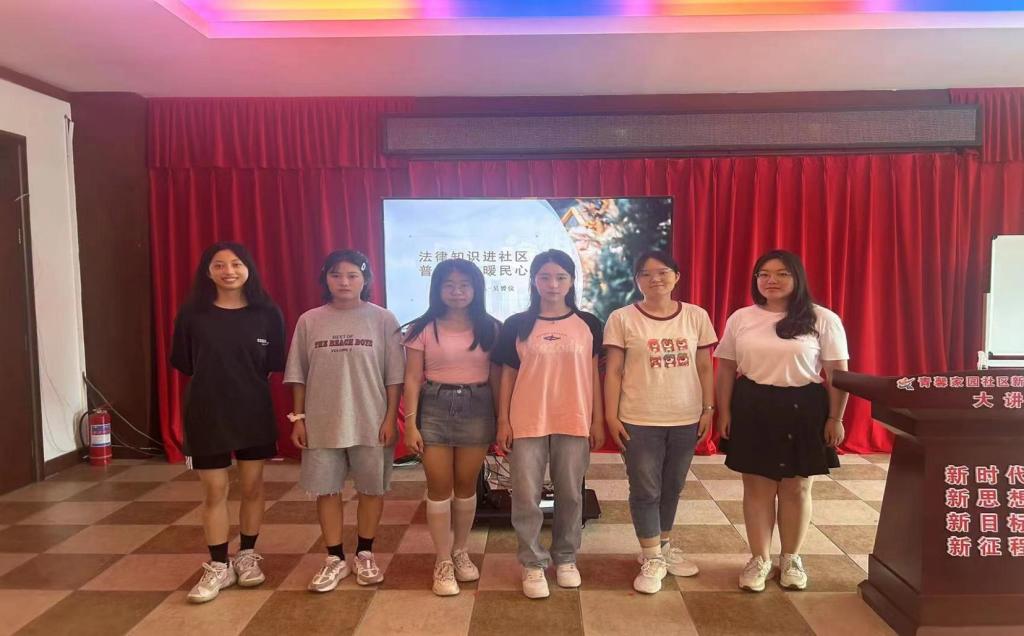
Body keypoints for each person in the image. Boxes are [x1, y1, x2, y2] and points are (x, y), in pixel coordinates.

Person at [715, 249, 850, 592]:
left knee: (797, 487)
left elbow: (837, 374)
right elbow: (726, 368)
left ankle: (791, 558)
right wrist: (724, 411)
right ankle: (759, 559)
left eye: (781, 274)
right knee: (757, 488)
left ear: (797, 278)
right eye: (763, 274)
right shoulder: (741, 318)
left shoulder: (822, 318)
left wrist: (835, 417)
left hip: (804, 407)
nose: (771, 280)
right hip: (753, 405)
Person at [171, 242, 285, 604]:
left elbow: (274, 363)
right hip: (207, 413)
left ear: (248, 269)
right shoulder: (192, 313)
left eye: (236, 264)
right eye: (219, 265)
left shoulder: (267, 313)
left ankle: (247, 555)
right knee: (214, 491)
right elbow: (185, 362)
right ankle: (219, 565)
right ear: (208, 272)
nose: (229, 271)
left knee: (252, 486)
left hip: (253, 410)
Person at [284, 249, 405, 592]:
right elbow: (298, 375)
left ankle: (365, 553)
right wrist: (298, 419)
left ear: (366, 280)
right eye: (336, 275)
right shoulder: (310, 320)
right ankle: (334, 557)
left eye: (353, 275)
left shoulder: (383, 319)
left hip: (371, 421)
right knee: (326, 490)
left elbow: (394, 377)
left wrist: (390, 418)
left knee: (371, 489)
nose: (344, 282)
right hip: (321, 422)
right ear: (325, 279)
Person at [493, 249, 605, 599]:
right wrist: (503, 420)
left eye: (560, 277)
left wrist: (597, 419)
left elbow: (593, 375)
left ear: (571, 281)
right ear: (534, 281)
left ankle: (566, 557)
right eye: (544, 277)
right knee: (526, 495)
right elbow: (507, 375)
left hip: (574, 418)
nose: (552, 284)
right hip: (526, 420)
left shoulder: (588, 323)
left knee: (570, 492)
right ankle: (532, 562)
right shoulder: (517, 324)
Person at [603, 250, 717, 594]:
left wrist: (708, 409)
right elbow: (614, 371)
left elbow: (705, 367)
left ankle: (662, 547)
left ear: (676, 276)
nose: (655, 279)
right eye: (645, 273)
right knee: (645, 488)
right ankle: (651, 556)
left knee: (672, 486)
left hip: (685, 417)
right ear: (637, 280)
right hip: (638, 418)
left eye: (663, 272)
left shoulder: (696, 316)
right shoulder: (622, 318)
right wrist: (610, 415)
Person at [401, 259, 501, 596]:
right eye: (449, 285)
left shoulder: (491, 328)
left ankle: (460, 550)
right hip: (434, 407)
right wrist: (410, 424)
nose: (457, 291)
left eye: (464, 285)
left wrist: (501, 420)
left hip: (478, 407)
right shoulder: (422, 329)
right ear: (437, 289)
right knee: (439, 485)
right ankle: (442, 560)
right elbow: (412, 379)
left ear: (476, 289)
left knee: (466, 485)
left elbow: (498, 378)